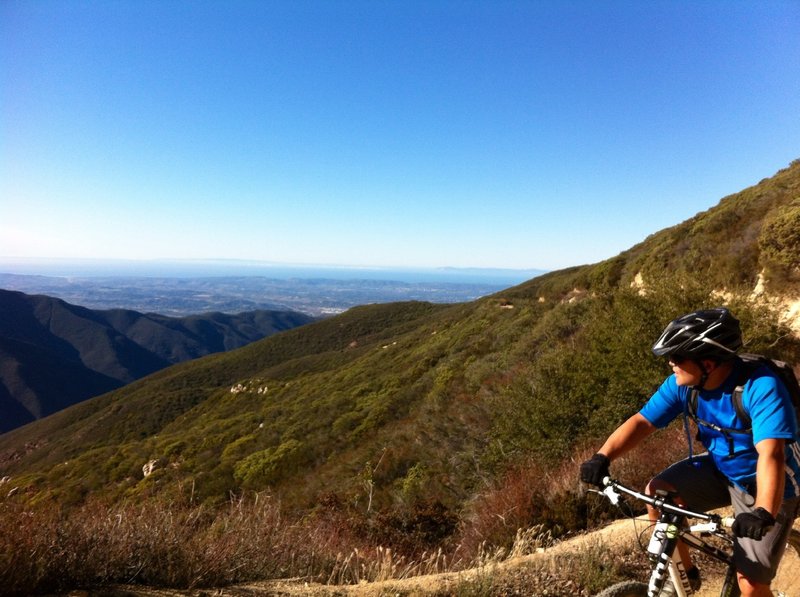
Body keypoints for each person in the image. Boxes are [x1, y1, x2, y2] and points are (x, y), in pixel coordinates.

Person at [580, 308, 800, 597]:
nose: (671, 363)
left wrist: (762, 512)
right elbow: (642, 421)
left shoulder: (760, 387)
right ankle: (684, 577)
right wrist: (602, 456)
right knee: (659, 493)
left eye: (678, 357)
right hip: (722, 469)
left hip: (768, 483)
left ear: (707, 362)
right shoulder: (685, 384)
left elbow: (772, 455)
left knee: (750, 584)